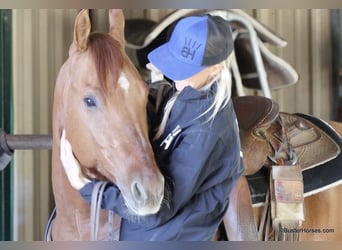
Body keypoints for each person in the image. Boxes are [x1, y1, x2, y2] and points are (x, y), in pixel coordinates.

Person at [60, 13, 244, 240]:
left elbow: (157, 210)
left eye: (184, 70)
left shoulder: (207, 129)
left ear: (215, 69)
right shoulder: (184, 93)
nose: (173, 76)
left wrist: (89, 188)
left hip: (170, 235)